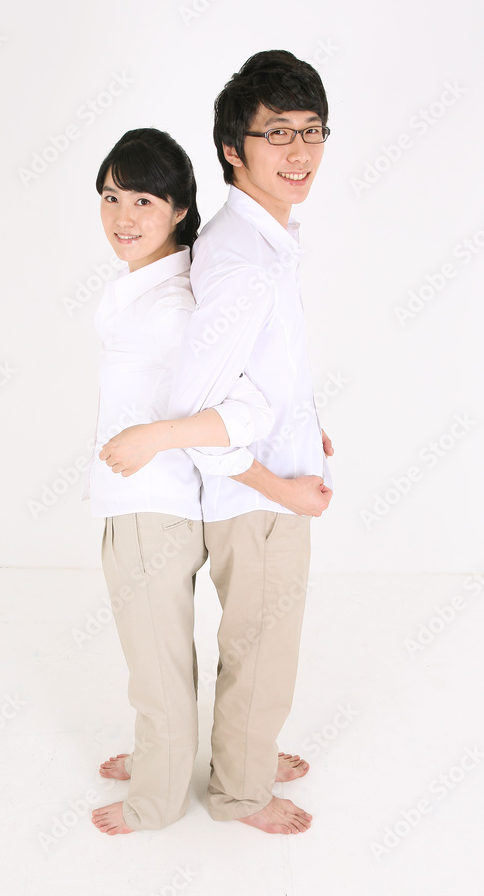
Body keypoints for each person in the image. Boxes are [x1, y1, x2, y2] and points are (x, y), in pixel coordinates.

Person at [100, 50, 334, 835]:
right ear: (234, 149)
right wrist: (282, 486)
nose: (298, 151)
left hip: (267, 472)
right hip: (256, 491)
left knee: (256, 648)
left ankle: (245, 754)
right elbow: (203, 408)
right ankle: (240, 790)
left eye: (310, 130)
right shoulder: (241, 259)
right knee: (262, 654)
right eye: (277, 134)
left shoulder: (264, 240)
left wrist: (303, 420)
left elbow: (259, 365)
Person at [83, 127, 276, 835]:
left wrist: (152, 440)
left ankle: (156, 800)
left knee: (156, 667)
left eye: (143, 200)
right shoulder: (143, 291)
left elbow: (244, 407)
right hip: (144, 505)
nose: (123, 216)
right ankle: (157, 758)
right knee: (158, 656)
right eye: (111, 196)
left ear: (180, 211)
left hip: (151, 508)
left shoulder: (173, 308)